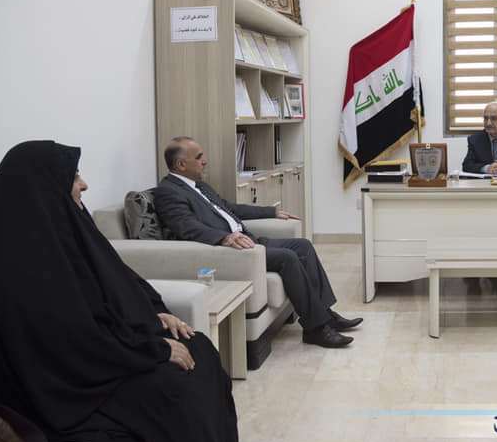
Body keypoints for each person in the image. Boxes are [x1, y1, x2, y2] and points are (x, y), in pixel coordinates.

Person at [0, 141, 243, 442]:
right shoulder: (10, 258)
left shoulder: (59, 227)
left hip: (96, 356)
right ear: (44, 186)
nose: (84, 184)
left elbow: (117, 282)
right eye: (74, 177)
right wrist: (153, 350)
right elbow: (63, 339)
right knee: (173, 389)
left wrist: (155, 315)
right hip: (57, 384)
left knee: (199, 347)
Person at [153, 136, 362, 349]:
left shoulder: (200, 186)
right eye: (199, 157)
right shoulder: (167, 192)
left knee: (303, 246)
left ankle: (326, 315)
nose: (205, 161)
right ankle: (315, 329)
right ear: (181, 164)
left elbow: (229, 208)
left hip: (248, 241)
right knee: (287, 257)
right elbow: (186, 226)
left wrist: (271, 212)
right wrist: (224, 238)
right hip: (231, 250)